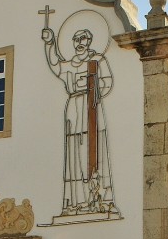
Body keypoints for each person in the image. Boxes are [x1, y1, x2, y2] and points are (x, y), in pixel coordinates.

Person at [41, 25, 118, 217]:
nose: (79, 43)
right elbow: (54, 65)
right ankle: (76, 201)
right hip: (74, 107)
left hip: (91, 105)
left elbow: (107, 82)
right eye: (76, 40)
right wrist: (50, 43)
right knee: (74, 153)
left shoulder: (98, 60)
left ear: (89, 41)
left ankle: (100, 198)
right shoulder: (69, 64)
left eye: (83, 39)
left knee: (94, 149)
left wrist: (92, 85)